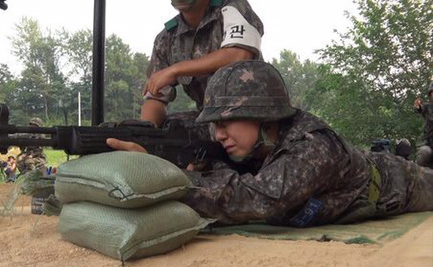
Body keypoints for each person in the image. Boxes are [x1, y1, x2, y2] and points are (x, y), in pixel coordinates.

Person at [107, 61, 433, 227]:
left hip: (395, 184)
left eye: (225, 123)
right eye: (214, 124)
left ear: (264, 117)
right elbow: (184, 128)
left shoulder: (314, 147)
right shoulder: (246, 138)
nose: (217, 134)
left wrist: (166, 176)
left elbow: (259, 199)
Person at [141, 0, 264, 126]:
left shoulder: (232, 8)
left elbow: (239, 54)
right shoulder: (166, 39)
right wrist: (144, 134)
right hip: (210, 118)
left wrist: (175, 70)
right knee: (170, 128)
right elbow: (155, 97)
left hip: (251, 114)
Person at [413, 82, 433, 168]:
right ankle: (415, 177)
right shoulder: (427, 107)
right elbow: (420, 109)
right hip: (429, 143)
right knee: (424, 152)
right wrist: (418, 106)